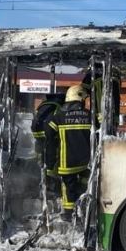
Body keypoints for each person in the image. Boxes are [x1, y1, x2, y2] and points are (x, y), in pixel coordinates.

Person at [45, 83, 93, 220]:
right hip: (86, 162)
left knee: (68, 189)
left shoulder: (58, 117)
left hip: (67, 163)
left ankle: (68, 215)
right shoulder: (90, 116)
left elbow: (49, 138)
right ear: (80, 98)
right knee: (83, 186)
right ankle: (83, 211)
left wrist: (50, 164)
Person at [31, 92, 65, 202]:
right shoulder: (59, 106)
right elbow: (58, 122)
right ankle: (51, 184)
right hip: (48, 133)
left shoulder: (43, 105)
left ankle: (42, 176)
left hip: (37, 134)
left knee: (42, 156)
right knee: (53, 156)